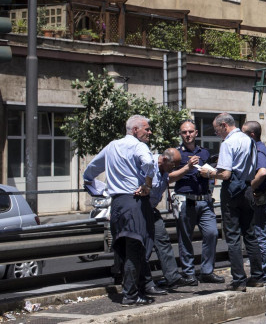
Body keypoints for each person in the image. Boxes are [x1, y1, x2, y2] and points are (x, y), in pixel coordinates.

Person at [82, 115, 157, 306]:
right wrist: (147, 184)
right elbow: (149, 163)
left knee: (125, 250)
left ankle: (135, 289)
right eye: (146, 129)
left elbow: (90, 170)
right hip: (134, 203)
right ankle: (131, 295)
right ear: (135, 130)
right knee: (135, 249)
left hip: (117, 205)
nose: (149, 132)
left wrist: (94, 186)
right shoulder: (139, 146)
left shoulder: (112, 146)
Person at [200, 113, 261, 292]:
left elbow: (225, 174)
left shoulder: (228, 143)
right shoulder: (249, 140)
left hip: (232, 192)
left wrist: (209, 173)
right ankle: (258, 276)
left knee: (233, 237)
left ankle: (239, 280)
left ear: (225, 125)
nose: (217, 133)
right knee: (250, 234)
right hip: (248, 189)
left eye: (217, 129)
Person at [169, 120, 222, 285]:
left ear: (196, 133)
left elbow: (211, 173)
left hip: (204, 201)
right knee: (185, 238)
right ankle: (189, 273)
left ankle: (207, 271)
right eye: (184, 132)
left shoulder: (204, 153)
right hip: (186, 200)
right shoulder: (176, 154)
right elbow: (169, 177)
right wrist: (187, 168)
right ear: (180, 134)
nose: (187, 135)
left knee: (212, 233)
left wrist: (211, 173)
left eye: (190, 132)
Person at [144, 148, 188, 292]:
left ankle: (172, 277)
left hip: (152, 210)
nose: (174, 168)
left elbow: (171, 177)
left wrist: (188, 168)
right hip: (141, 210)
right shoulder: (149, 166)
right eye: (173, 165)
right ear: (163, 160)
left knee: (162, 240)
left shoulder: (165, 170)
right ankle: (146, 283)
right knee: (145, 247)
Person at [242, 121, 266, 284]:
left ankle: (263, 275)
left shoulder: (259, 150)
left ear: (252, 135)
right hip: (259, 197)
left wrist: (248, 188)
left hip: (259, 198)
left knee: (260, 237)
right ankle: (264, 273)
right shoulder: (257, 148)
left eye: (243, 133)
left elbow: (261, 173)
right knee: (260, 236)